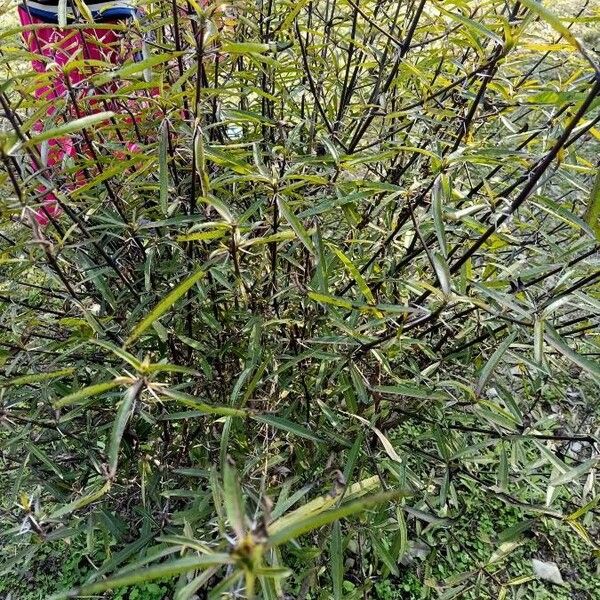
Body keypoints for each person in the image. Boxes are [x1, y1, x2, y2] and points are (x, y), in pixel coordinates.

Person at [18, 0, 140, 225]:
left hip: (99, 12)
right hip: (60, 12)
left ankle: (82, 212)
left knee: (67, 100)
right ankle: (88, 211)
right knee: (74, 100)